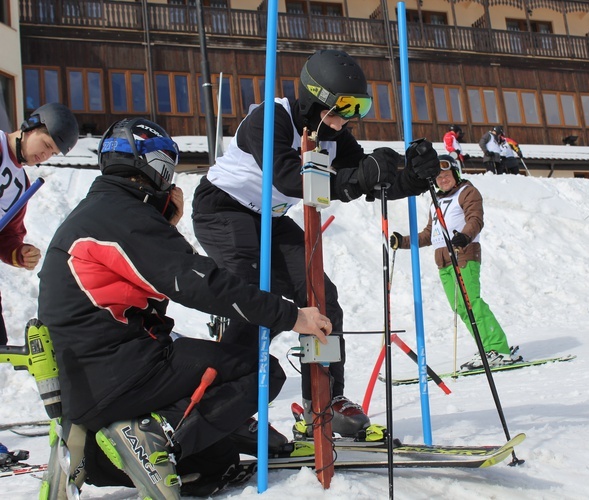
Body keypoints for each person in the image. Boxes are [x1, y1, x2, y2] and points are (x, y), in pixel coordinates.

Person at [37, 117, 333, 498]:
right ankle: (154, 437)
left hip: (90, 380)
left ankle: (98, 453)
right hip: (117, 370)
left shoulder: (100, 211)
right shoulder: (124, 217)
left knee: (217, 461)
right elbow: (199, 282)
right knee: (259, 373)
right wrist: (292, 316)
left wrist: (165, 224)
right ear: (153, 165)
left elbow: (150, 280)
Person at [191, 49, 440, 439]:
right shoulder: (270, 118)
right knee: (258, 298)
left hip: (269, 218)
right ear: (314, 100)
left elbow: (368, 180)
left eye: (359, 109)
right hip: (223, 209)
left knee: (322, 297)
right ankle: (222, 405)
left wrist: (411, 177)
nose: (349, 120)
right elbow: (291, 179)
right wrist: (355, 180)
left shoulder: (332, 133)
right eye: (343, 109)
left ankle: (323, 402)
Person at [389, 155, 520, 371]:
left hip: (463, 254)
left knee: (471, 303)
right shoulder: (436, 201)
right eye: (438, 177)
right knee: (460, 307)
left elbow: (475, 219)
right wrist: (402, 241)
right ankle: (487, 345)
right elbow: (429, 234)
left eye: (447, 175)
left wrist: (464, 237)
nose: (443, 180)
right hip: (443, 261)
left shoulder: (467, 192)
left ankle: (497, 347)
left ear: (455, 174)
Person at [1, 103, 78, 346]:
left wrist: (18, 252)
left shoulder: (21, 184)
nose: (45, 156)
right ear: (31, 126)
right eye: (46, 145)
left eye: (52, 153)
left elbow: (8, 234)